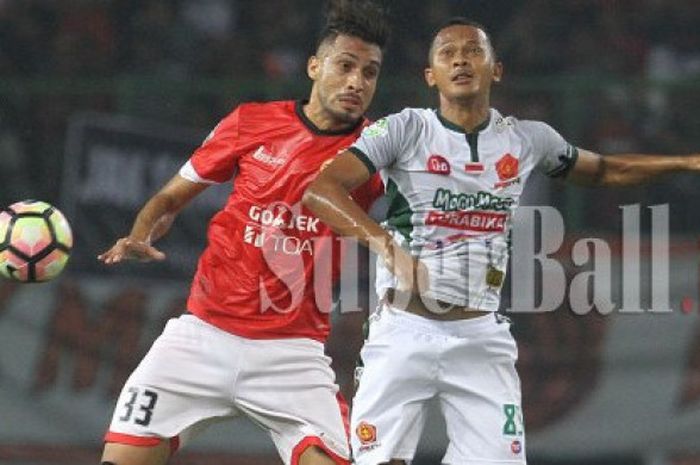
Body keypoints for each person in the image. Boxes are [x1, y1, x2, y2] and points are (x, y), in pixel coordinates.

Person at [302, 17, 700, 465]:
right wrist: (389, 248)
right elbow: (321, 190)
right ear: (430, 75)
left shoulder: (528, 139)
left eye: (472, 51)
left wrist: (686, 161)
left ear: (496, 69)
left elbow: (607, 170)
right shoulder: (404, 130)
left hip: (480, 335)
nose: (460, 60)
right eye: (447, 54)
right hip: (403, 332)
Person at [96, 2, 389, 464]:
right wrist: (141, 233)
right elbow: (170, 198)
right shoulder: (251, 122)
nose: (356, 82)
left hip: (293, 353)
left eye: (369, 73)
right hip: (201, 338)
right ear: (315, 66)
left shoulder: (378, 151)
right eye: (345, 66)